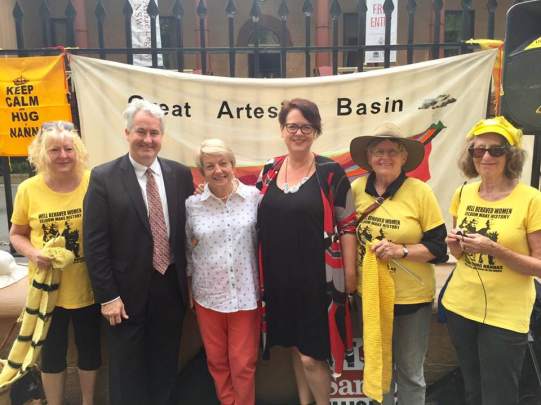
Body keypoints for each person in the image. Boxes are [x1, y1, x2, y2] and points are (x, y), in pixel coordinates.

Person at [83, 99, 194, 405]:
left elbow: (188, 232)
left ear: (162, 136)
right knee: (126, 372)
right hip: (123, 295)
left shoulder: (179, 174)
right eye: (141, 132)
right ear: (127, 133)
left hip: (169, 287)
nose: (148, 139)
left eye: (154, 133)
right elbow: (94, 243)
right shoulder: (104, 177)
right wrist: (108, 296)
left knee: (165, 365)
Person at [256, 98, 357, 405]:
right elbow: (248, 207)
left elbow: (348, 225)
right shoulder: (269, 170)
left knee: (312, 356)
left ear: (315, 131)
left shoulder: (331, 172)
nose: (298, 133)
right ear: (282, 130)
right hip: (278, 278)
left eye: (306, 127)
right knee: (294, 347)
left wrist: (350, 273)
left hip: (317, 280)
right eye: (292, 126)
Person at [443, 116, 541, 405]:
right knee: (472, 390)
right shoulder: (463, 193)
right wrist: (456, 247)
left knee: (500, 395)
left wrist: (497, 250)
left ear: (511, 155)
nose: (486, 156)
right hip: (461, 307)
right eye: (478, 149)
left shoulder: (531, 199)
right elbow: (460, 256)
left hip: (506, 314)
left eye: (496, 150)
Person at [350, 123, 448, 405]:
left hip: (411, 299)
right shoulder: (357, 189)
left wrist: (401, 250)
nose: (385, 157)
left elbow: (439, 248)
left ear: (404, 157)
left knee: (410, 372)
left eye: (392, 151)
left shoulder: (420, 192)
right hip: (371, 296)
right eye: (378, 151)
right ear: (369, 157)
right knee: (377, 368)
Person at [10, 121, 100, 405]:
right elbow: (16, 234)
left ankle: (88, 402)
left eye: (68, 149)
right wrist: (34, 253)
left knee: (90, 350)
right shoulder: (28, 189)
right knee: (51, 354)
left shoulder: (93, 182)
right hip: (47, 290)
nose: (63, 155)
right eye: (54, 150)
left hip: (88, 286)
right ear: (41, 153)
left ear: (78, 151)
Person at [185, 139, 260, 405]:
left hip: (245, 295)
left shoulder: (254, 198)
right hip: (207, 295)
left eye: (223, 163)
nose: (218, 170)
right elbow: (187, 250)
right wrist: (189, 288)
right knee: (217, 361)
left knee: (243, 363)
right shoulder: (192, 205)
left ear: (233, 165)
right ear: (202, 172)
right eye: (210, 166)